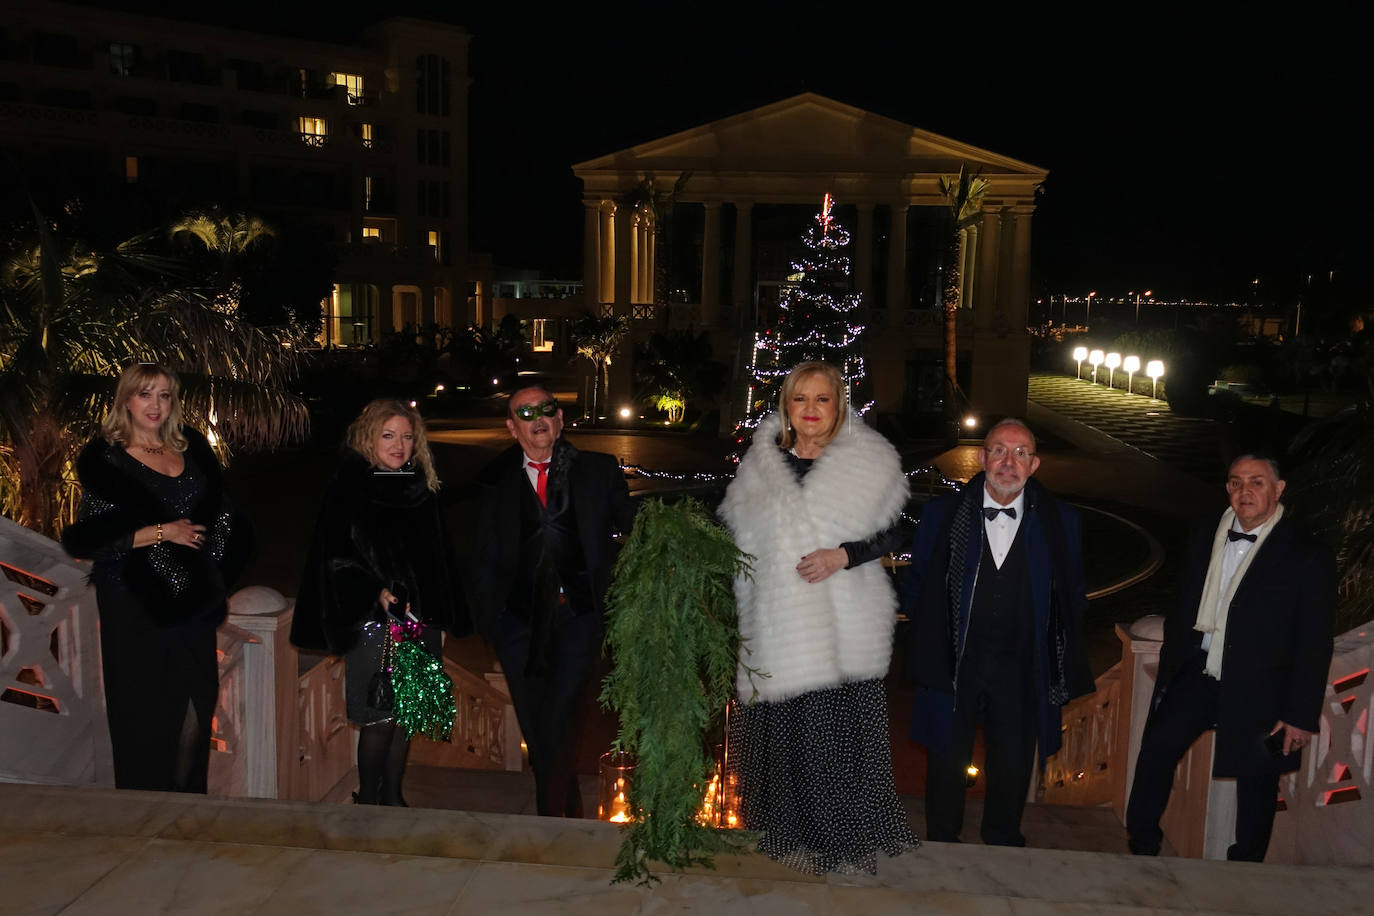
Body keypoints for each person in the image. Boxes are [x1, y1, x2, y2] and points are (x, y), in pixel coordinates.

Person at [719, 361, 917, 874]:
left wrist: (844, 555)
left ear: (839, 404)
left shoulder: (869, 461)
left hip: (841, 626)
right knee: (784, 742)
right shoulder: (761, 464)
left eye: (821, 399)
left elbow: (900, 531)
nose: (809, 410)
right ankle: (790, 837)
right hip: (776, 625)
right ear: (786, 405)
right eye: (799, 399)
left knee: (836, 742)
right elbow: (737, 542)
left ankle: (844, 845)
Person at [1126, 454, 1334, 861]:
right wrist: (1174, 666)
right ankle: (1142, 843)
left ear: (1278, 489)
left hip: (1265, 684)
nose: (1245, 491)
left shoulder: (1308, 553)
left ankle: (1246, 867)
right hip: (1200, 672)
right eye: (1236, 482)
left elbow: (1314, 640)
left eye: (1257, 482)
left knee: (1257, 782)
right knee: (1157, 750)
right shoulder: (1205, 531)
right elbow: (1183, 600)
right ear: (1227, 489)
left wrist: (1300, 714)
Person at [902, 417, 1094, 846]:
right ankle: (942, 844)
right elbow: (917, 586)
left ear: (1035, 463)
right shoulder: (941, 513)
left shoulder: (1061, 520)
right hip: (956, 666)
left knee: (1011, 766)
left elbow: (1073, 594)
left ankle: (1003, 843)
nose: (1009, 461)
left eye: (1021, 452)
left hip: (1022, 670)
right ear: (983, 457)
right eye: (1000, 451)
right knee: (946, 761)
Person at [63, 362, 252, 793]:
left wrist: (214, 573)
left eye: (164, 395)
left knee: (195, 706)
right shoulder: (108, 460)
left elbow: (222, 519)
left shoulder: (193, 449)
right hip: (134, 603)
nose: (155, 404)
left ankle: (185, 811)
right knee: (144, 714)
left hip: (191, 603)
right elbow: (90, 540)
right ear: (126, 399)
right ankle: (144, 816)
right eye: (145, 393)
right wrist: (165, 533)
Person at [291, 399, 469, 805]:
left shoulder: (421, 486)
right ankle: (369, 798)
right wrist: (374, 590)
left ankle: (394, 797)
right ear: (368, 437)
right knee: (378, 716)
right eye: (388, 435)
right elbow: (332, 555)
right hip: (372, 622)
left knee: (406, 715)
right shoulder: (349, 485)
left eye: (407, 436)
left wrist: (439, 622)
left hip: (417, 621)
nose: (399, 445)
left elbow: (440, 561)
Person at [469, 386, 634, 817]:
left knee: (559, 717)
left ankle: (548, 822)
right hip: (517, 625)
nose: (538, 418)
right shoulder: (494, 480)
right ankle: (571, 811)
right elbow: (481, 553)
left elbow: (636, 532)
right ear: (512, 426)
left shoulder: (598, 470)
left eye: (547, 410)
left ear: (560, 421)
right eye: (526, 412)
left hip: (577, 619)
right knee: (535, 723)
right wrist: (492, 619)